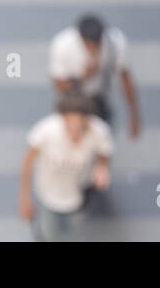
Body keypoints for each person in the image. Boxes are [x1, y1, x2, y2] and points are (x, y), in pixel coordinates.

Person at [18, 92, 114, 242]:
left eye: (80, 127)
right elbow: (26, 164)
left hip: (80, 194)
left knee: (74, 231)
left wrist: (101, 169)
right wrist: (24, 200)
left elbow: (104, 153)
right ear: (62, 119)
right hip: (49, 193)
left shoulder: (99, 132)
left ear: (87, 121)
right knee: (50, 234)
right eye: (70, 127)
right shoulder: (45, 131)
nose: (75, 133)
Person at [49, 13, 141, 139]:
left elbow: (125, 80)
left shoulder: (114, 44)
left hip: (100, 100)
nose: (92, 49)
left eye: (96, 44)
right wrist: (83, 77)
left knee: (101, 139)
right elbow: (58, 84)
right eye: (88, 44)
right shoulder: (63, 45)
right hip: (73, 102)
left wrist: (134, 116)